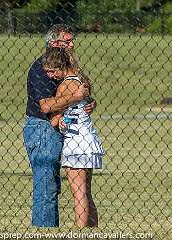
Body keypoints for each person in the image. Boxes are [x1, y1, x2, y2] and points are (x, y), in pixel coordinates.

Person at [23, 24, 96, 227]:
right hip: (42, 128)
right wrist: (77, 97)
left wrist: (88, 102)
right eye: (67, 41)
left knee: (57, 185)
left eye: (72, 41)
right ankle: (45, 229)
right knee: (46, 183)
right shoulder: (42, 69)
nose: (72, 45)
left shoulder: (68, 68)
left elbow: (76, 96)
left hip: (62, 128)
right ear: (53, 43)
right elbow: (45, 106)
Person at [42, 47, 105, 228]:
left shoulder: (64, 86)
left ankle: (80, 231)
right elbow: (78, 109)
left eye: (52, 71)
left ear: (61, 66)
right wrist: (65, 117)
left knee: (78, 193)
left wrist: (58, 118)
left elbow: (54, 119)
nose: (50, 76)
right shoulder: (81, 80)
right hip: (89, 139)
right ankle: (92, 230)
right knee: (86, 192)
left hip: (75, 141)